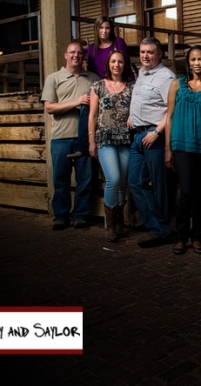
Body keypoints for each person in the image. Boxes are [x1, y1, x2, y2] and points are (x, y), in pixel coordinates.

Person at [165, 45, 201, 256]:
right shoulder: (177, 85)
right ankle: (181, 237)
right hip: (182, 146)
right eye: (193, 59)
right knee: (187, 191)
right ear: (188, 62)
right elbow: (169, 118)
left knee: (200, 194)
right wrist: (167, 149)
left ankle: (196, 237)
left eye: (200, 59)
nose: (196, 63)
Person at [41, 41, 99, 230]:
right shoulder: (54, 78)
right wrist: (76, 102)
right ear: (66, 55)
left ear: (84, 57)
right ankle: (60, 215)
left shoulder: (92, 78)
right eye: (72, 52)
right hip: (61, 137)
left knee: (86, 178)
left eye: (80, 53)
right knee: (60, 179)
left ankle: (80, 215)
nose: (76, 56)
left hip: (85, 138)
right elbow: (49, 107)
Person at [128, 37, 177, 248]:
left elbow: (171, 110)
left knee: (160, 186)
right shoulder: (141, 72)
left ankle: (160, 230)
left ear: (160, 55)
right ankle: (157, 226)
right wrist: (132, 116)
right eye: (142, 52)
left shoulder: (167, 77)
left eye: (149, 52)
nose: (145, 56)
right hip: (138, 136)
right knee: (135, 182)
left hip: (153, 137)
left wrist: (157, 131)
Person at [88, 50, 134, 242]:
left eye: (120, 62)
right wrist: (91, 141)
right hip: (105, 138)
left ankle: (120, 224)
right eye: (113, 61)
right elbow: (92, 115)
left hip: (125, 139)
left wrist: (133, 115)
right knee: (113, 179)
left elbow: (136, 108)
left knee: (122, 182)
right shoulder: (98, 86)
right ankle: (110, 225)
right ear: (108, 64)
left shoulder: (131, 87)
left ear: (125, 65)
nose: (117, 65)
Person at [69, 17, 130, 159]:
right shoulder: (91, 48)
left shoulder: (118, 42)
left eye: (107, 28)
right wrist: (98, 89)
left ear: (111, 29)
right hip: (102, 85)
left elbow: (124, 64)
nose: (104, 31)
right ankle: (82, 146)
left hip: (121, 81)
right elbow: (92, 71)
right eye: (101, 28)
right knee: (87, 103)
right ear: (96, 30)